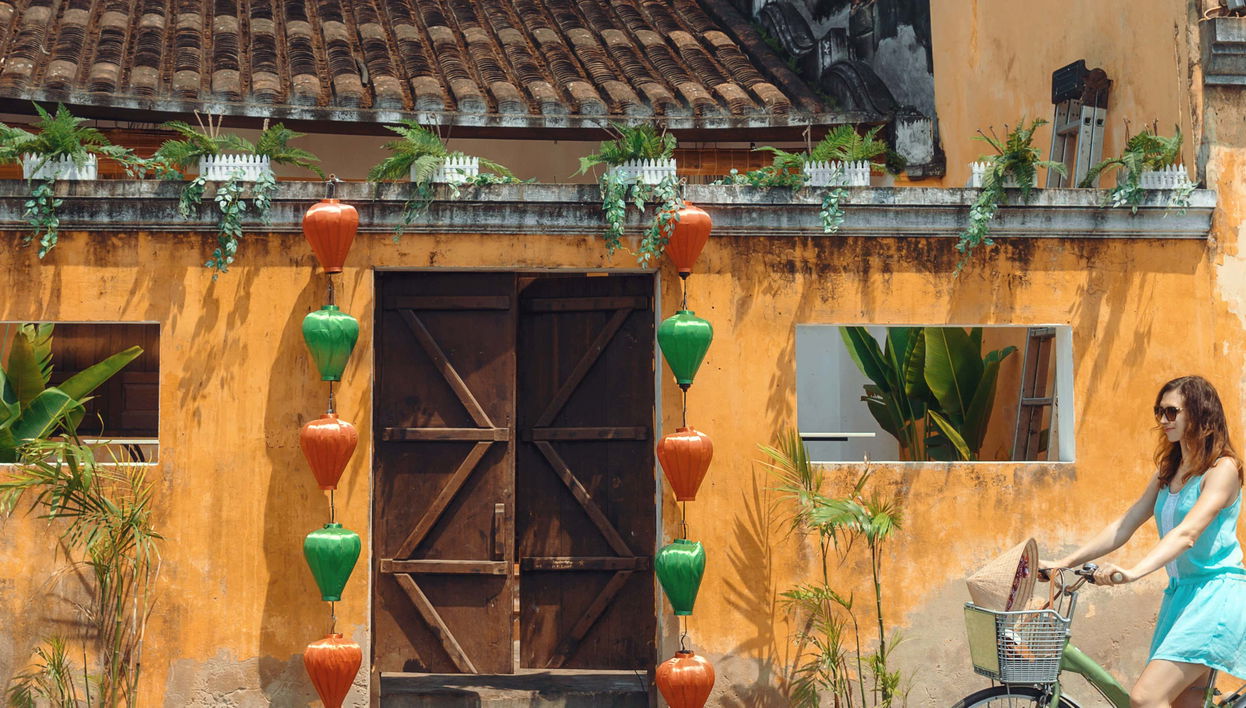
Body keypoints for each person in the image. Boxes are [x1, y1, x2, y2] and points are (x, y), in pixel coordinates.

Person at [1043, 375, 1246, 708]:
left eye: (1171, 411)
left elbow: (1187, 533)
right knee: (1180, 704)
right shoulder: (1169, 470)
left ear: (1200, 414)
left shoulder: (1222, 470)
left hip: (1216, 598)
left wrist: (1134, 572)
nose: (1163, 420)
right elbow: (1125, 524)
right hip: (1181, 597)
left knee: (1146, 697)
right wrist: (1065, 562)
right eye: (1159, 412)